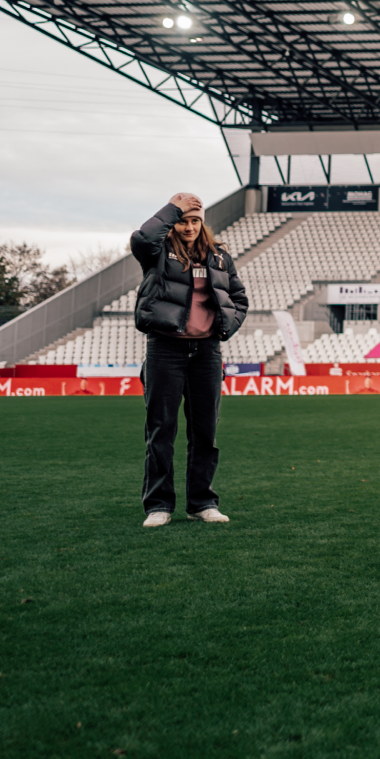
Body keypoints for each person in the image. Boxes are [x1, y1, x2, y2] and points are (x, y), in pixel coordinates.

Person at [130, 192, 249, 528]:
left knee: (205, 433)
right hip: (165, 349)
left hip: (207, 353)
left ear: (203, 222)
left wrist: (223, 329)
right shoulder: (157, 253)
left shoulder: (220, 257)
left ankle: (202, 503)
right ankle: (159, 505)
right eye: (182, 220)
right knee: (160, 431)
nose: (188, 226)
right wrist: (173, 208)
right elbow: (143, 237)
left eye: (195, 220)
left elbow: (239, 299)